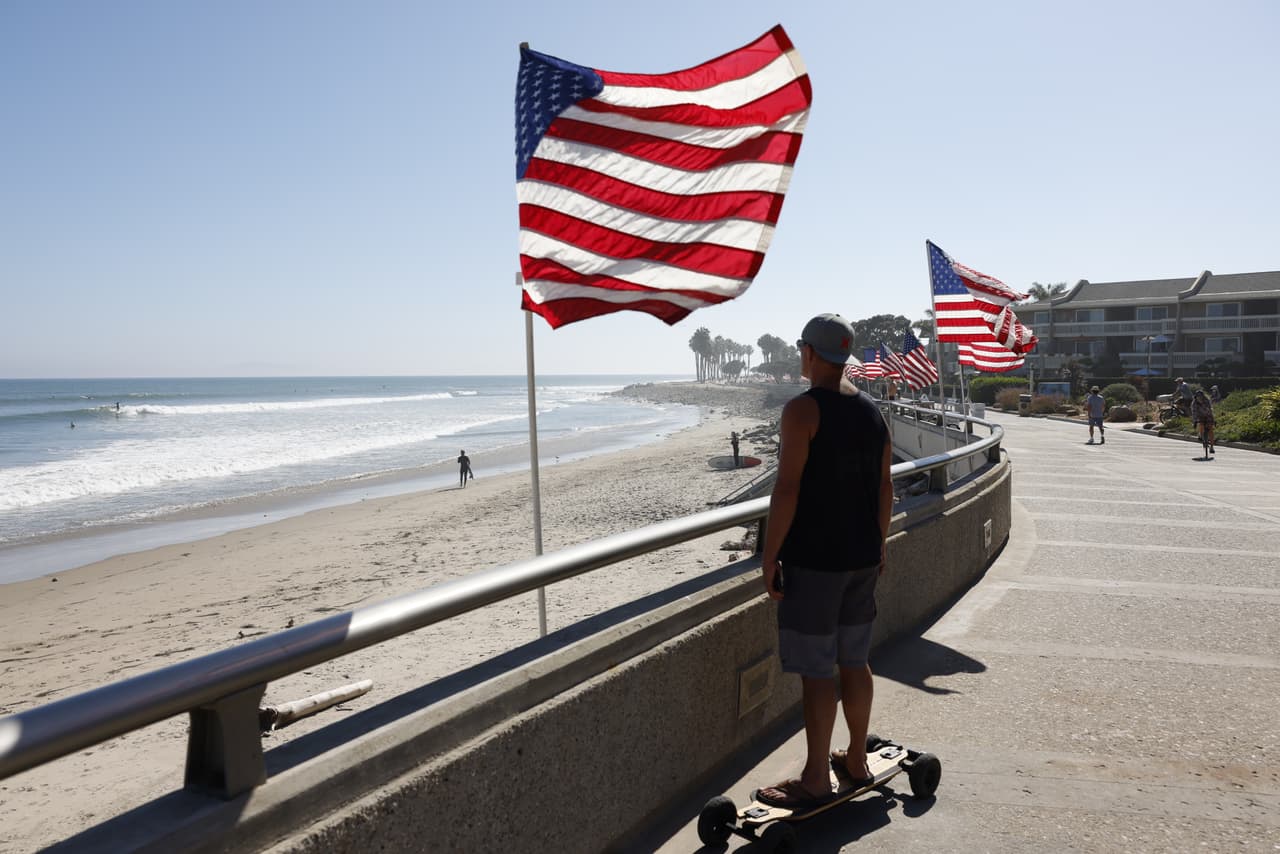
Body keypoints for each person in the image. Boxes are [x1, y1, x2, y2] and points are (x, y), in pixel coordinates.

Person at [755, 313, 894, 810]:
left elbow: (787, 488)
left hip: (816, 561)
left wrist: (770, 556)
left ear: (809, 353)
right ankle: (855, 759)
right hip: (861, 555)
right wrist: (879, 543)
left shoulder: (802, 411)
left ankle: (816, 778)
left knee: (818, 670)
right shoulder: (873, 411)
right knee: (855, 660)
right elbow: (885, 485)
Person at [1191, 389, 1215, 455]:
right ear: (1196, 397)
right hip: (1199, 415)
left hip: (1208, 415)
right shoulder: (1194, 403)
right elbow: (1194, 413)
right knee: (1201, 424)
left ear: (1203, 396)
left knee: (1210, 430)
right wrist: (1195, 421)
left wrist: (1212, 419)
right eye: (1198, 397)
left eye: (1201, 396)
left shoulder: (1206, 401)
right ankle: (1201, 435)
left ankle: (1212, 447)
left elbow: (1210, 410)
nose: (1199, 398)